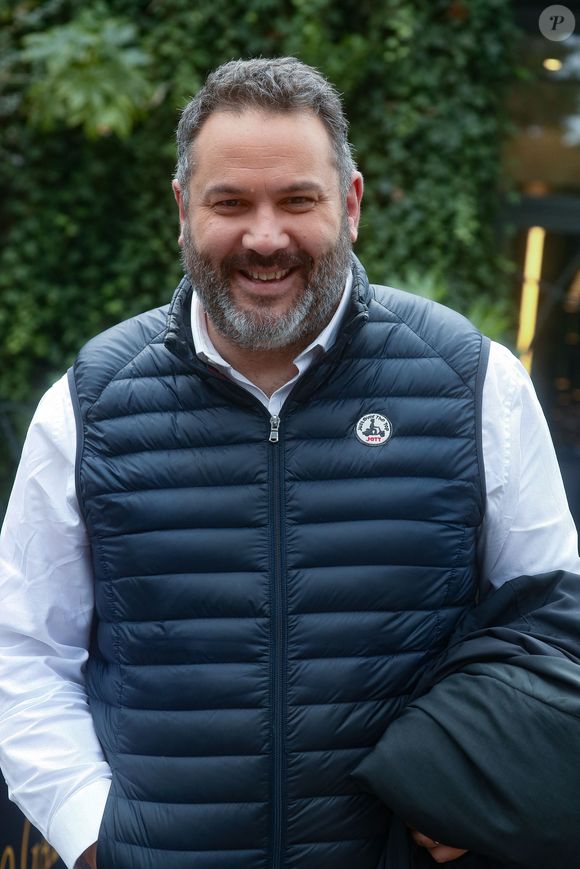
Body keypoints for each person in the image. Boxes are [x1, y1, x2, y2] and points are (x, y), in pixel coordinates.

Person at [0, 57, 579, 869]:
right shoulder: (90, 404)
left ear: (349, 204)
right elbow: (22, 650)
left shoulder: (471, 384)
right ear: (181, 210)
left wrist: (493, 782)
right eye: (230, 203)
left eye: (297, 200)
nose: (264, 237)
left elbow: (553, 616)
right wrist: (95, 834)